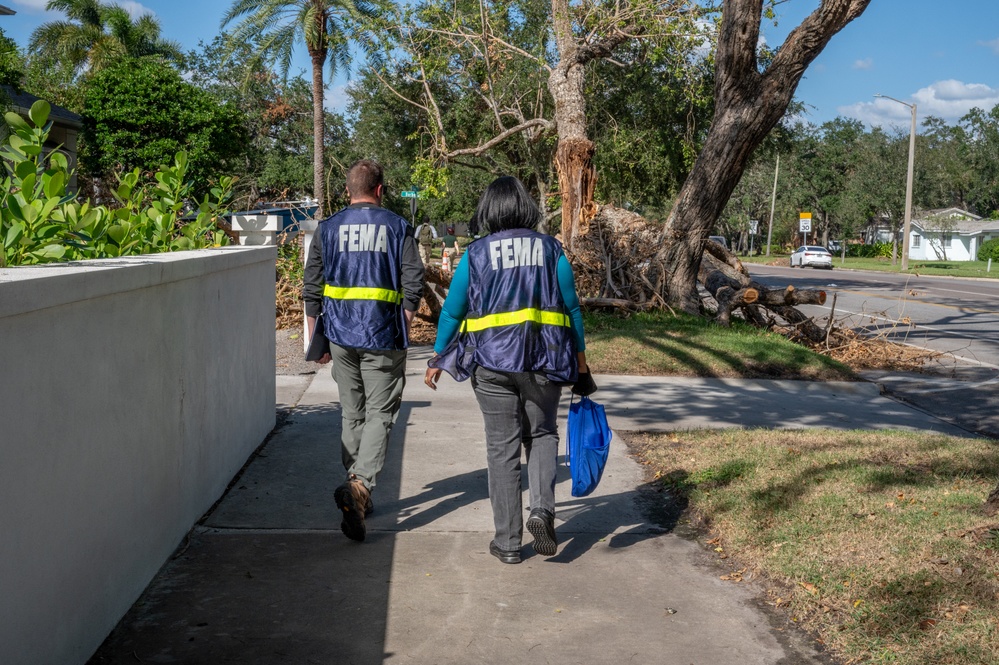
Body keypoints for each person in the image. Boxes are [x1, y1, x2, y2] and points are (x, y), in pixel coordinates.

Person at [424, 176, 596, 564]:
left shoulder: (476, 253)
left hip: (491, 365)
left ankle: (507, 544)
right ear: (526, 207)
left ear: (489, 210)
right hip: (544, 362)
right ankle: (542, 511)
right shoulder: (552, 250)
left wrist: (438, 357)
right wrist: (581, 362)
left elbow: (453, 310)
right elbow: (572, 309)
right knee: (543, 433)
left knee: (501, 449)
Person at [303, 159, 425, 542]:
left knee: (353, 413)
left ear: (348, 191)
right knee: (381, 414)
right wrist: (405, 323)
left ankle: (358, 491)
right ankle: (359, 486)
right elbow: (413, 280)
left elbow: (312, 286)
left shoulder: (327, 228)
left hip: (340, 336)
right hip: (382, 334)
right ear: (380, 189)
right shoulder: (397, 226)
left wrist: (315, 341)